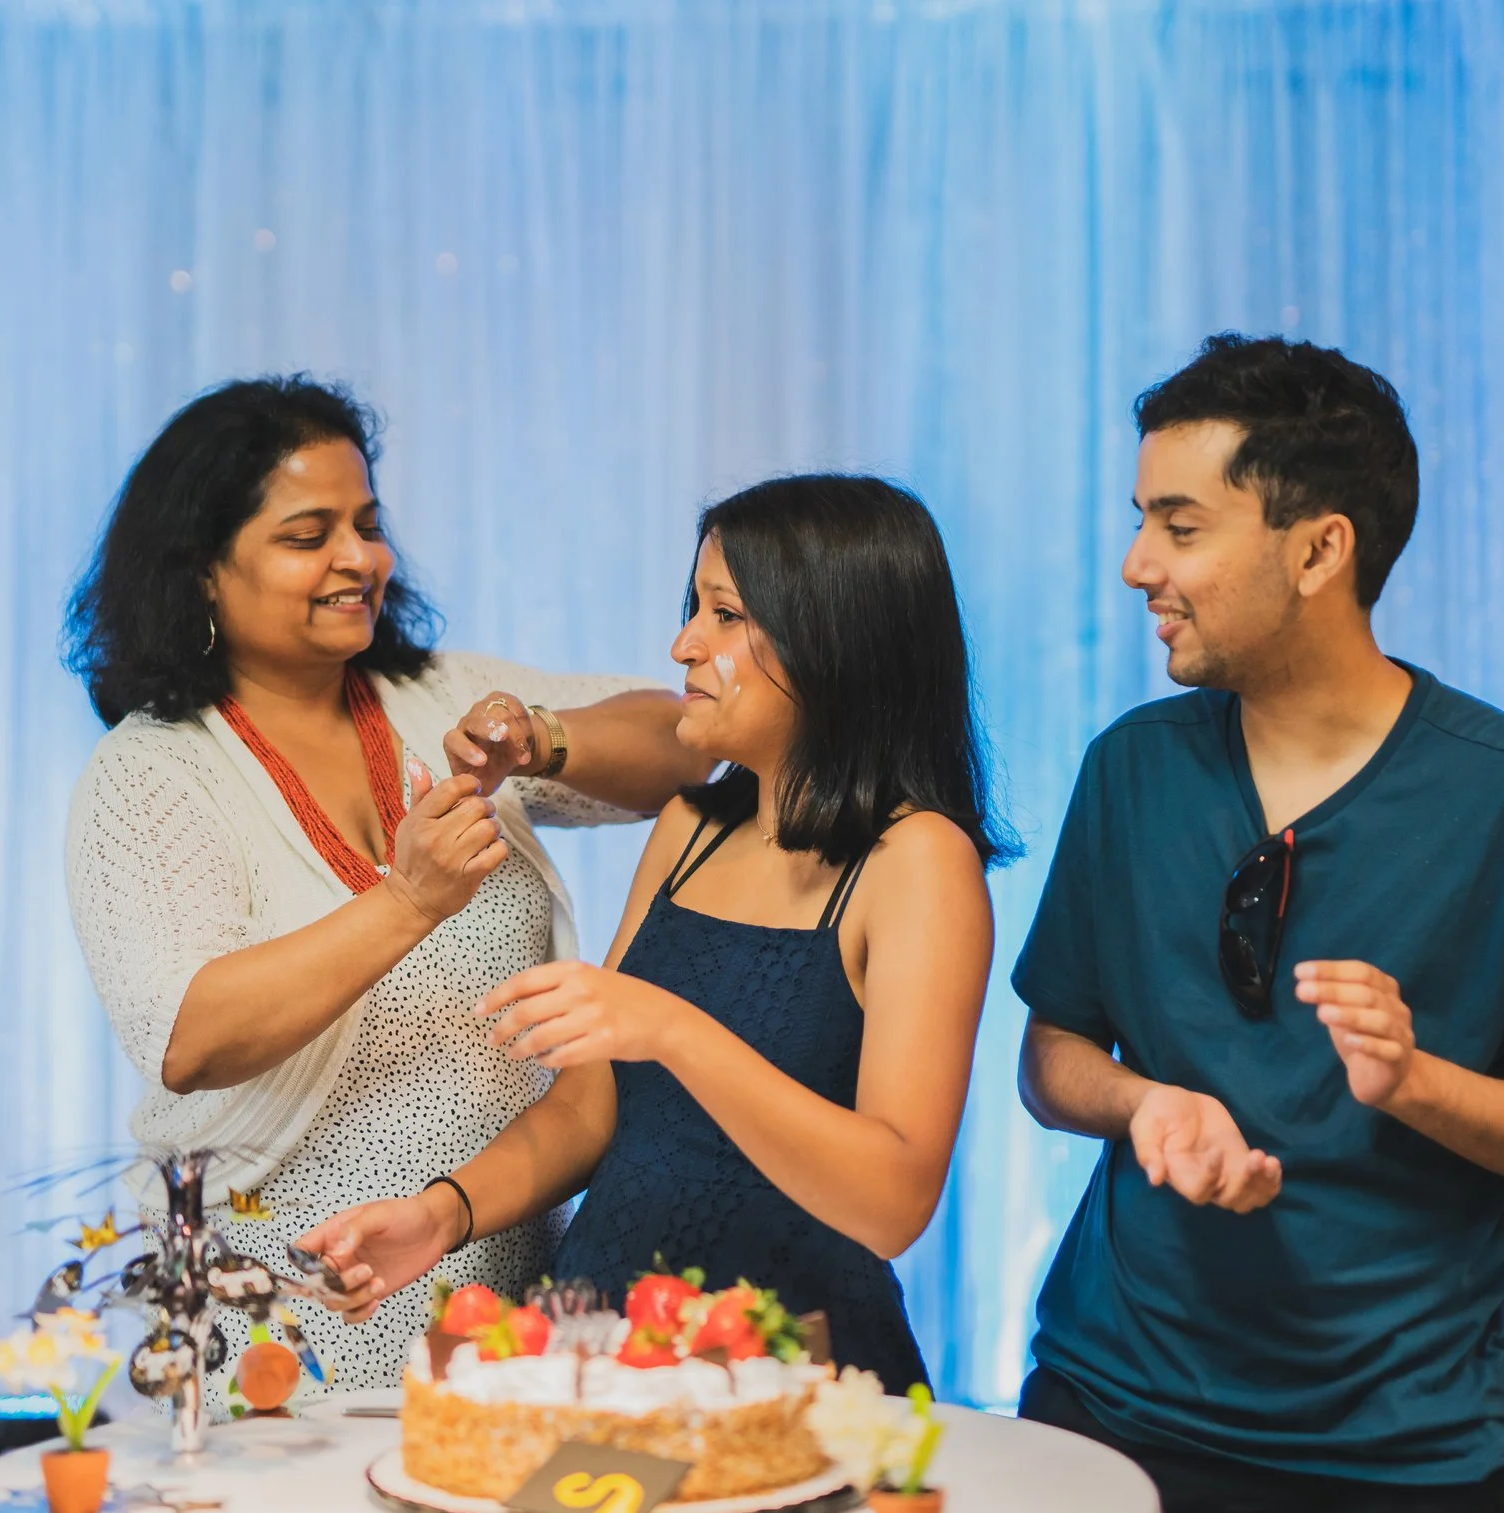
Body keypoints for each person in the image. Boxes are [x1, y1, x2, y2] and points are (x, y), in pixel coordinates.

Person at [1010, 334, 1504, 1513]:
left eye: (1181, 525)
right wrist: (1143, 1102)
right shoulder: (1130, 769)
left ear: (1319, 549)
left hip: (1400, 1457)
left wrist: (1416, 1084)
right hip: (1108, 1402)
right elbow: (1052, 1056)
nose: (1135, 562)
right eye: (1140, 519)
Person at [62, 375, 711, 1398]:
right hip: (290, 1296)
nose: (360, 558)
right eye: (307, 534)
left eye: (367, 524)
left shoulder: (435, 697)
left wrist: (541, 737)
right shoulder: (151, 773)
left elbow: (687, 744)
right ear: (200, 574)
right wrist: (405, 903)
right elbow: (188, 1037)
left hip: (501, 1282)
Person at [300, 475, 1007, 1390]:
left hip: (792, 1372)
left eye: (725, 615)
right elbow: (590, 1111)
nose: (684, 644)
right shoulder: (689, 828)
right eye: (693, 609)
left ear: (834, 637)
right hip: (603, 1343)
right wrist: (441, 1217)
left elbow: (893, 1202)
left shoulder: (919, 862)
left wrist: (670, 1029)